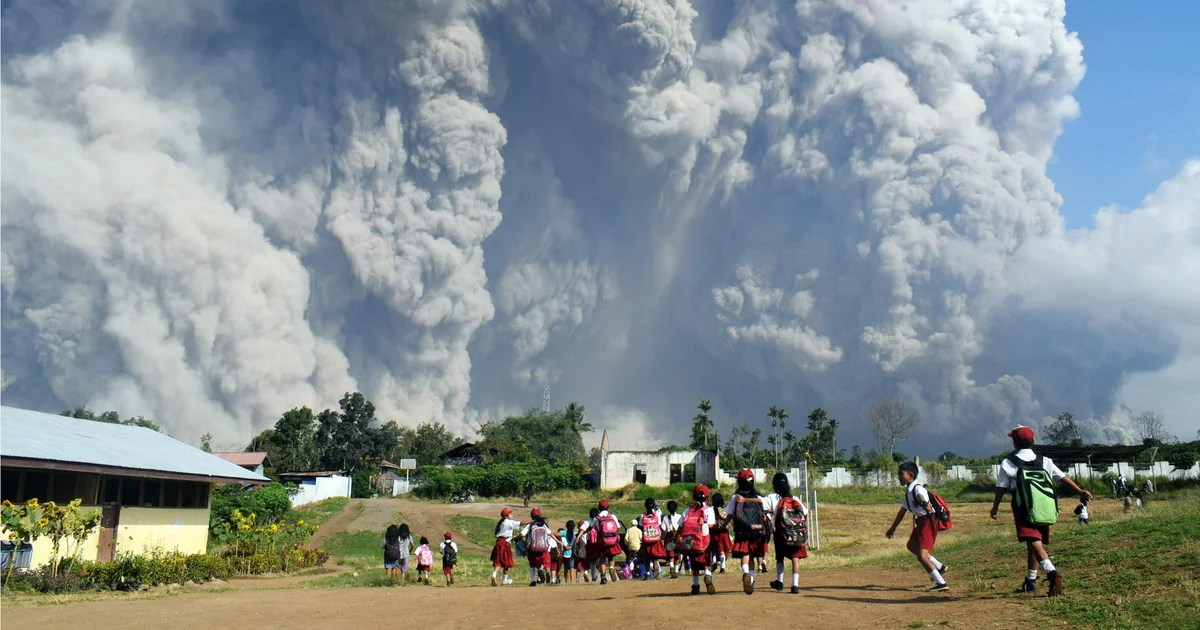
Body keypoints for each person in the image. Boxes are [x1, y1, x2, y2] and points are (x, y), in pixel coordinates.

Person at [990, 425, 1093, 597]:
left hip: (1022, 505)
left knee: (1032, 541)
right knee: (1034, 542)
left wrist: (995, 506)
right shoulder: (1044, 460)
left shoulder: (1009, 462)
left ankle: (1051, 572)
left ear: (1014, 443)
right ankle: (1030, 580)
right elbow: (1061, 477)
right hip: (1045, 504)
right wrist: (1079, 490)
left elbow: (1001, 486)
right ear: (1033, 441)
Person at [885, 463, 948, 592]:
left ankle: (940, 582)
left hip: (927, 521)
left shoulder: (917, 489)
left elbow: (921, 497)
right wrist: (893, 528)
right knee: (911, 546)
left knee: (922, 555)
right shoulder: (909, 491)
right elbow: (902, 511)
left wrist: (925, 503)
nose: (899, 477)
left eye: (901, 474)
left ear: (911, 475)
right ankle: (939, 567)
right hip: (920, 522)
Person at [765, 472, 810, 594]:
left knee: (780, 558)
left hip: (781, 533)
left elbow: (761, 503)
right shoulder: (794, 499)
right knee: (795, 558)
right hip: (796, 534)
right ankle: (795, 584)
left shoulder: (773, 498)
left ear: (775, 485)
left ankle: (780, 582)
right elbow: (805, 513)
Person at [727, 468, 769, 594]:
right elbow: (766, 512)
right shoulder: (758, 497)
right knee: (752, 556)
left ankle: (745, 573)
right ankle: (751, 580)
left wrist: (723, 525)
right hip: (757, 531)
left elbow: (728, 514)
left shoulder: (736, 497)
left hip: (742, 531)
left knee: (745, 555)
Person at [677, 484, 716, 595]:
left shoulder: (688, 509)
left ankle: (695, 586)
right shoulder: (708, 510)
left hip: (690, 541)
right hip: (704, 541)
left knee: (694, 564)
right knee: (705, 561)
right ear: (707, 497)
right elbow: (711, 525)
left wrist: (675, 537)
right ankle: (708, 575)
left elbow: (680, 525)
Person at [491, 507, 529, 586]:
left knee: (498, 561)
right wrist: (531, 521)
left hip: (498, 542)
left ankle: (494, 575)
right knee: (506, 561)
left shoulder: (501, 523)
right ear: (506, 516)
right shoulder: (508, 522)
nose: (512, 515)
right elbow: (520, 523)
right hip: (505, 543)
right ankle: (505, 579)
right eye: (510, 514)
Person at [588, 499, 624, 584]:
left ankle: (603, 577)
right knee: (611, 557)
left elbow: (591, 527)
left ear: (599, 507)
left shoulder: (597, 518)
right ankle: (611, 568)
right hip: (612, 540)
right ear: (608, 507)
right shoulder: (613, 516)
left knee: (602, 559)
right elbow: (618, 527)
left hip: (602, 541)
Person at [522, 507, 558, 587]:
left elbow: (522, 534)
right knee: (541, 561)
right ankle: (541, 570)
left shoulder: (530, 525)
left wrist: (516, 538)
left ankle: (533, 580)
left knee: (532, 565)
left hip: (532, 547)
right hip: (543, 547)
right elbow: (550, 533)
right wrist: (557, 541)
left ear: (531, 515)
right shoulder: (543, 525)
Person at [638, 498, 666, 579]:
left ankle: (647, 573)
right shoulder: (657, 515)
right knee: (654, 554)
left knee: (646, 556)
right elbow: (659, 525)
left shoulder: (642, 515)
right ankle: (655, 563)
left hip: (646, 539)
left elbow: (641, 525)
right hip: (656, 537)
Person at [709, 493, 733, 574]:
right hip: (724, 531)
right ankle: (722, 566)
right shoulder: (724, 509)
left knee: (715, 549)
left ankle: (715, 562)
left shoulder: (711, 509)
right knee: (723, 550)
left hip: (714, 531)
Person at [662, 500, 682, 578]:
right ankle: (676, 571)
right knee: (677, 555)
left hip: (669, 536)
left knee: (671, 554)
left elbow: (663, 528)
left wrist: (669, 530)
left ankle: (671, 567)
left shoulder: (666, 517)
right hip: (677, 537)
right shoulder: (679, 516)